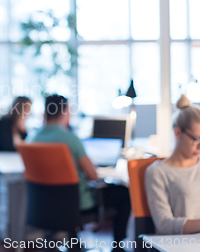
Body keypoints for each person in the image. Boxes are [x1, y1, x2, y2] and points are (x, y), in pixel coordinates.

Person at [28, 94, 130, 252]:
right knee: (124, 193)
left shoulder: (32, 139)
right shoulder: (70, 139)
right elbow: (93, 175)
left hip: (44, 207)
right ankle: (118, 246)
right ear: (65, 112)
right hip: (76, 206)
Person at [145, 94, 200, 235]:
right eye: (197, 139)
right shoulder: (157, 172)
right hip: (181, 243)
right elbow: (163, 224)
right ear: (178, 132)